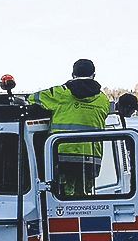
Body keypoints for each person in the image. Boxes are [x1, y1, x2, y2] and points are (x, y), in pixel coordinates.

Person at [27, 59, 110, 196]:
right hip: (91, 158)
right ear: (94, 75)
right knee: (84, 198)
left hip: (62, 155)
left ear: (73, 74)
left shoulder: (60, 93)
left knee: (63, 198)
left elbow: (32, 98)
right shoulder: (103, 100)